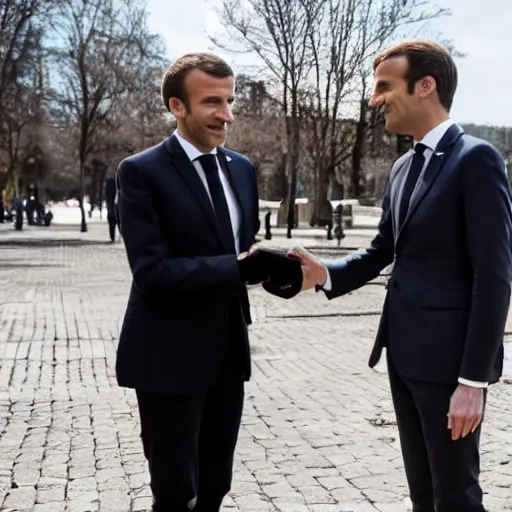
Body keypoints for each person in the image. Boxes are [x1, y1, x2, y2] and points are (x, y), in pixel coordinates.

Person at [288, 40, 512, 512]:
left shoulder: (477, 160)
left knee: (456, 497)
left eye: (384, 87)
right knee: (423, 496)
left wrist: (474, 381)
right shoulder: (401, 167)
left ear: (425, 86)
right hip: (404, 356)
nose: (375, 99)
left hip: (452, 366)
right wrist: (323, 273)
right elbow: (381, 251)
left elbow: (495, 276)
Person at [115, 53, 301, 512]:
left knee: (216, 488)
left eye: (230, 100)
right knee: (177, 495)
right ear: (177, 106)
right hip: (166, 356)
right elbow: (152, 272)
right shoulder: (140, 171)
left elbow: (241, 248)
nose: (227, 114)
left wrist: (277, 274)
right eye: (212, 102)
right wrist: (241, 266)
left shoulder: (242, 169)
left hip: (227, 354)